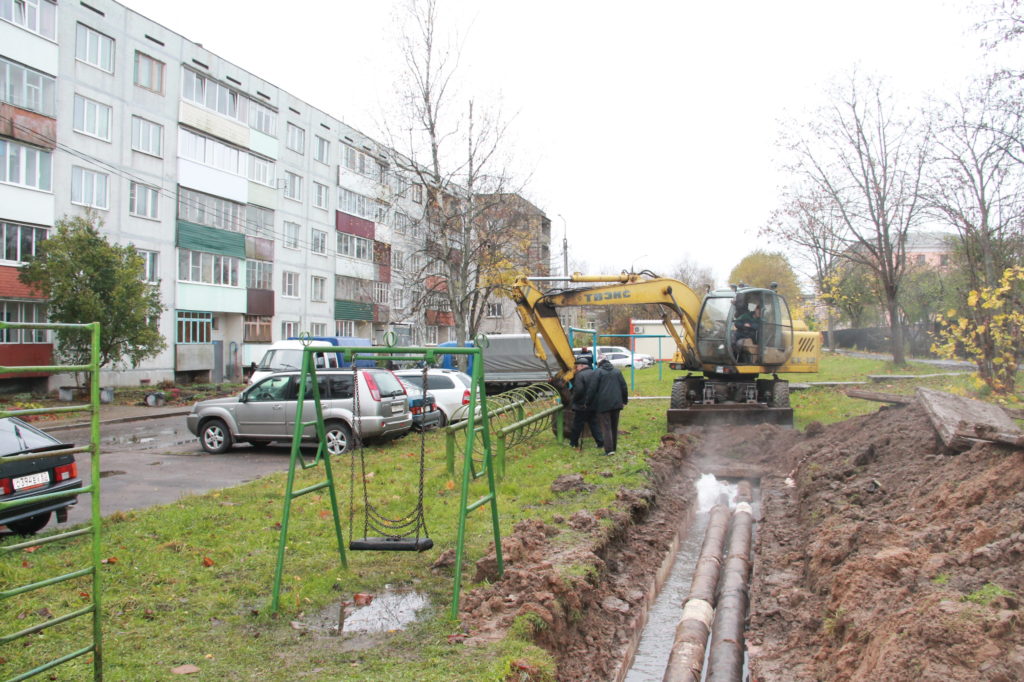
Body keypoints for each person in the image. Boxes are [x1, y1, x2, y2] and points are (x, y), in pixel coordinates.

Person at [585, 356, 628, 456]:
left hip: (603, 404)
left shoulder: (598, 372)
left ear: (599, 364)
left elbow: (592, 388)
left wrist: (587, 402)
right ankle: (614, 447)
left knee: (606, 427)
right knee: (614, 426)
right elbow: (624, 386)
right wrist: (624, 400)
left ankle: (609, 450)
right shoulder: (617, 371)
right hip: (617, 403)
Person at [567, 356, 603, 450]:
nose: (576, 369)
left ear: (582, 366)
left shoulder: (580, 375)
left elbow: (578, 390)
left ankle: (573, 443)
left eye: (577, 366)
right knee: (594, 423)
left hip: (581, 405)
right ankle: (600, 442)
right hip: (593, 404)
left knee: (577, 424)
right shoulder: (594, 373)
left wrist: (573, 400)